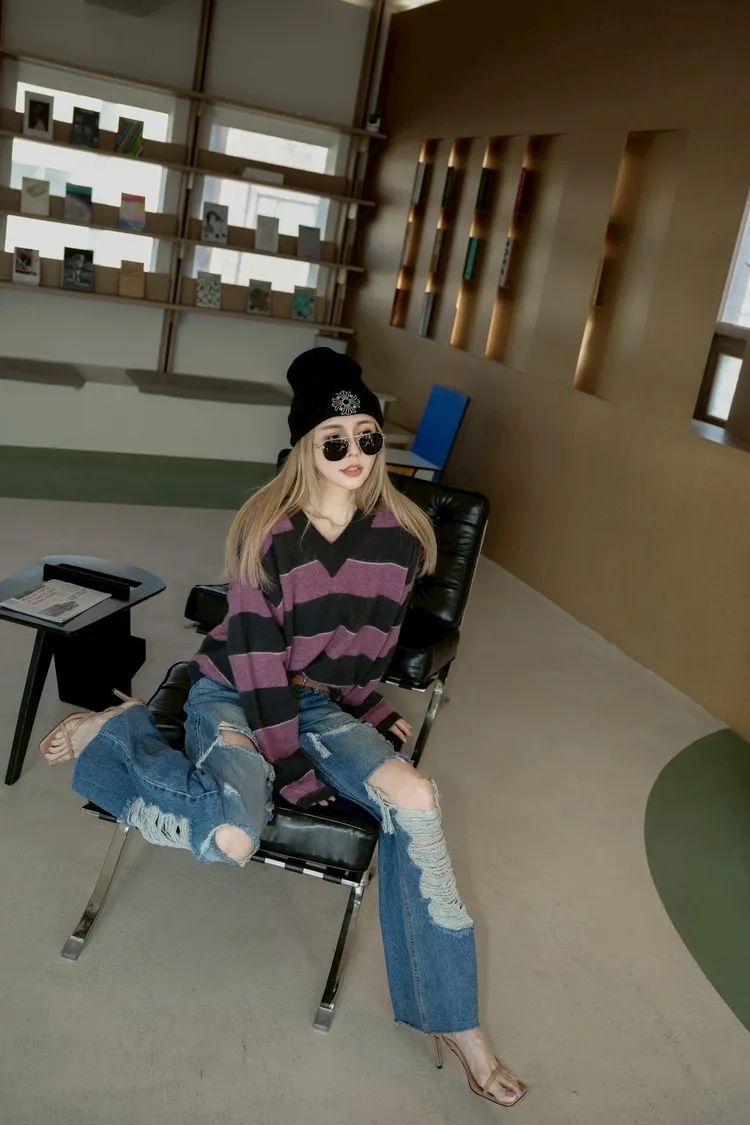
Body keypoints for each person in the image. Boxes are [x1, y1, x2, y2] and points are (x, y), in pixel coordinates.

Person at [39, 348, 528, 1109]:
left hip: (321, 705)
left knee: (418, 800)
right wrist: (293, 770)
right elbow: (259, 669)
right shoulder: (271, 537)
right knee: (234, 835)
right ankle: (118, 732)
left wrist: (368, 709)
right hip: (235, 694)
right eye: (335, 441)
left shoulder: (401, 540)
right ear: (305, 448)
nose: (355, 454)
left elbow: (368, 650)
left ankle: (457, 1021)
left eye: (367, 437)